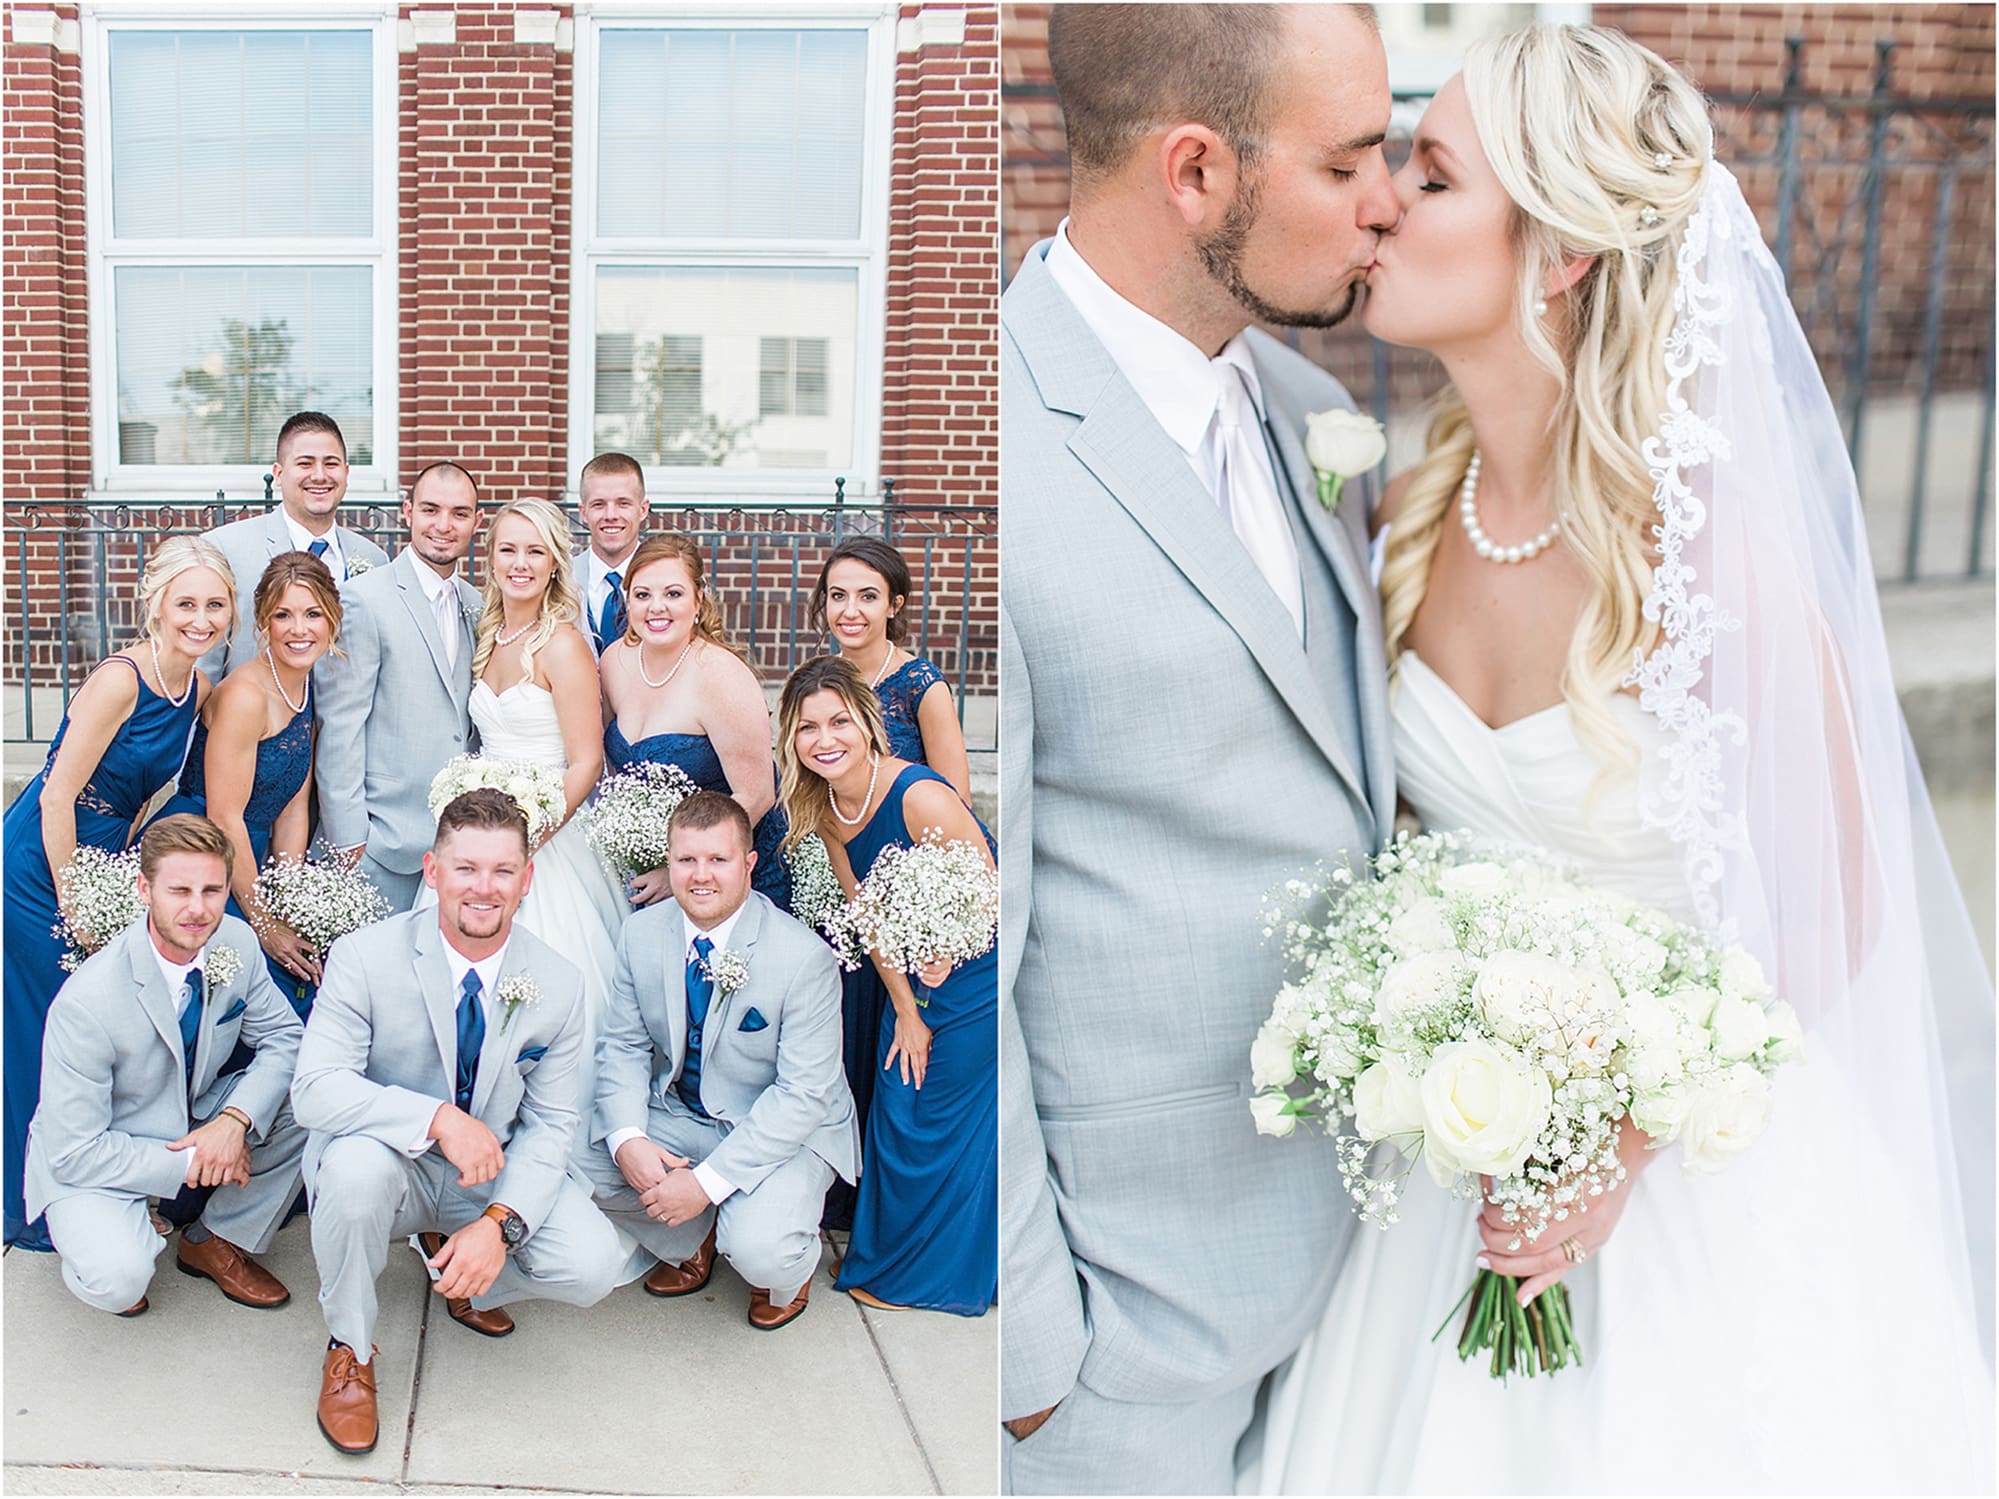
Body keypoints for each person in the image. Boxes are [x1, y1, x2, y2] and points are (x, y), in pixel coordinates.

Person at [1248, 25, 1995, 1495]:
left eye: (1431, 171)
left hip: (1681, 1199)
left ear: (1562, 254)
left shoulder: (1702, 547)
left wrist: (1621, 1138)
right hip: (1433, 1178)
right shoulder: (1403, 511)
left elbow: (1838, 908)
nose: (1383, 197)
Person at [999, 6, 1398, 1490]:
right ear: (1192, 172)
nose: (1387, 199)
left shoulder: (1313, 408)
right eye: (1352, 156)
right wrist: (1039, 1359)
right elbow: (969, 944)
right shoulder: (1004, 453)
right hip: (1123, 1346)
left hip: (1358, 1286)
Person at [294, 789, 624, 1455]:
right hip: (392, 1165)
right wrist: (438, 1118)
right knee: (352, 1171)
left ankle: (467, 1270)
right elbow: (315, 1089)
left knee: (594, 1264)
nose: (484, 887)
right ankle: (350, 1347)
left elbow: (554, 1124)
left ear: (527, 879)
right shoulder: (364, 956)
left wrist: (499, 1227)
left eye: (503, 870)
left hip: (488, 1177)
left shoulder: (557, 982)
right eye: (466, 867)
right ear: (432, 869)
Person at [4, 536, 236, 1251]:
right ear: (156, 606)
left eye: (215, 604)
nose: (200, 618)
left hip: (106, 862)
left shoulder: (193, 686)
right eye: (186, 603)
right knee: (47, 1028)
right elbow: (55, 795)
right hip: (45, 866)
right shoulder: (119, 680)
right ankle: (34, 1203)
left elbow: (146, 793)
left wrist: (124, 874)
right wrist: (76, 899)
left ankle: (106, 1186)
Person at [583, 790, 858, 1332]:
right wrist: (628, 1138)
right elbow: (624, 1046)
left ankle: (782, 1267)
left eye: (718, 860)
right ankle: (692, 1237)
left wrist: (707, 1183)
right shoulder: (640, 933)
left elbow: (802, 1096)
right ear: (669, 862)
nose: (700, 875)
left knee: (761, 1251)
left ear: (749, 864)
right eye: (686, 860)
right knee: (570, 1159)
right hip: (681, 1114)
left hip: (780, 1130)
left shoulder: (803, 957)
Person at [781, 655, 996, 1315]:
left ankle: (944, 1275)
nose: (825, 738)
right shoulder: (822, 807)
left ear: (867, 725)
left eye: (838, 721)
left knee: (936, 1122)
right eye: (807, 726)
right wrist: (904, 1008)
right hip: (911, 976)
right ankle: (897, 1263)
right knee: (896, 1113)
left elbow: (991, 886)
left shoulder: (919, 795)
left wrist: (947, 946)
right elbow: (867, 915)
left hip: (974, 978)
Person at [25, 815, 307, 1317]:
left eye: (212, 890)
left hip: (193, 1114)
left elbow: (286, 1039)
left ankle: (216, 1239)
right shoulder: (87, 1001)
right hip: (101, 1150)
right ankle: (115, 1224)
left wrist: (234, 1121)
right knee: (118, 1282)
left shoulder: (235, 944)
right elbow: (73, 1151)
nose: (198, 909)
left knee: (310, 1097)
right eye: (179, 890)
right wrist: (192, 1162)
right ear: (144, 888)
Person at [412, 497, 627, 1152]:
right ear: (491, 555)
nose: (520, 563)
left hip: (546, 835)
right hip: (478, 830)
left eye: (535, 551)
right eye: (508, 548)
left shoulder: (561, 644)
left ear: (555, 561)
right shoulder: (487, 634)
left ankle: (551, 1141)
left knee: (550, 994)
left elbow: (587, 759)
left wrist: (525, 839)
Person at [807, 536, 976, 1230]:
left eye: (867, 595)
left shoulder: (920, 685)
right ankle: (832, 1191)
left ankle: (885, 1201)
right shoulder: (820, 680)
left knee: (896, 1053)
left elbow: (955, 807)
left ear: (894, 604)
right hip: (843, 889)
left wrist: (926, 924)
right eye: (839, 594)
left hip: (913, 903)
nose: (851, 609)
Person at [155, 552, 342, 1017]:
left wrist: (292, 898)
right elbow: (223, 817)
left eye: (313, 614)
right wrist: (265, 922)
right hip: (204, 848)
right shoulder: (246, 696)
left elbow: (294, 806)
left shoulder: (305, 684)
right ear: (263, 622)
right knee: (236, 1000)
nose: (299, 629)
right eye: (283, 615)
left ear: (332, 619)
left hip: (253, 857)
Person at [313, 462, 482, 913]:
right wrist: (350, 840)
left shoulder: (478, 605)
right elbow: (339, 725)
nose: (443, 526)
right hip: (380, 846)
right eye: (430, 510)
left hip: (456, 845)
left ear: (476, 522)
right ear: (407, 511)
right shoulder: (364, 599)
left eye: (459, 513)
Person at [599, 534, 793, 912]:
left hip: (725, 871)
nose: (656, 608)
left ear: (698, 601)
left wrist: (677, 869)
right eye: (642, 595)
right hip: (645, 869)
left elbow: (756, 796)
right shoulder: (614, 662)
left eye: (673, 594)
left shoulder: (721, 676)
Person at [197, 411, 388, 681]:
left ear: (346, 473)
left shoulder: (374, 559)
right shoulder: (225, 549)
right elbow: (204, 665)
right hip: (255, 719)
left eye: (331, 464)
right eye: (305, 464)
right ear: (279, 473)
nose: (320, 475)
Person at [571, 452, 649, 658]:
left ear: (642, 509)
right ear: (583, 512)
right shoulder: (561, 579)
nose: (611, 515)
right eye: (599, 504)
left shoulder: (673, 578)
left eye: (623, 503)